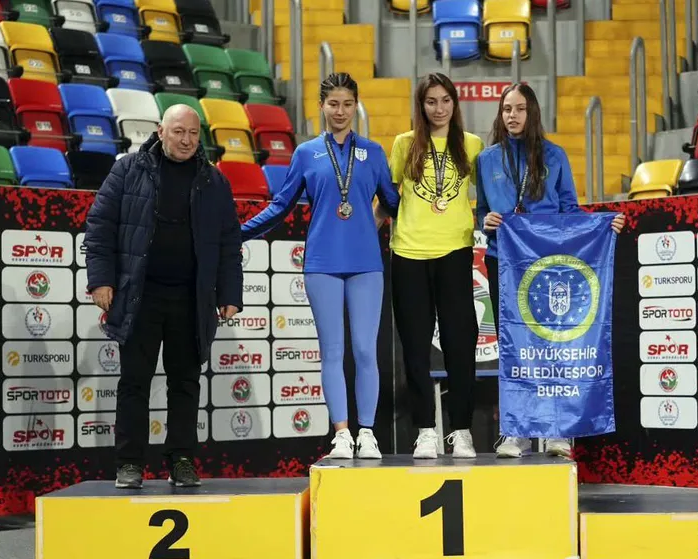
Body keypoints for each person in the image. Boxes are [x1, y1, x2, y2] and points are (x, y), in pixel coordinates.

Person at [241, 73, 399, 460]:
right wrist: (238, 233)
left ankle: (367, 432)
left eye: (347, 104)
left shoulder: (374, 152)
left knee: (364, 350)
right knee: (332, 350)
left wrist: (392, 211)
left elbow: (394, 202)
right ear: (321, 107)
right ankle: (342, 434)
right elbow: (281, 205)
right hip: (322, 263)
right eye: (333, 104)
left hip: (366, 263)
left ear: (356, 106)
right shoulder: (306, 153)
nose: (340, 111)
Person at [84, 104, 244, 489]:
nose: (187, 140)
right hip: (139, 295)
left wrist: (229, 292)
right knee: (134, 382)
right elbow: (99, 228)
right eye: (178, 132)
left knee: (186, 382)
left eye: (193, 133)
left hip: (191, 299)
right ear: (160, 131)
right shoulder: (128, 170)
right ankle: (129, 463)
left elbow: (229, 243)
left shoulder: (214, 181)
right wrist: (101, 280)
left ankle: (182, 459)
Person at [475, 83, 625, 458]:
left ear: (532, 113)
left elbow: (570, 210)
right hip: (504, 260)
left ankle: (558, 432)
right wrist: (486, 221)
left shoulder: (554, 156)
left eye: (519, 109)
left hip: (548, 264)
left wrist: (603, 225)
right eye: (506, 109)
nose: (512, 115)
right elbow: (480, 211)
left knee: (554, 343)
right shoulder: (487, 159)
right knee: (515, 346)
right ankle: (517, 431)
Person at [381, 73, 485, 459]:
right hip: (409, 253)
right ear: (420, 105)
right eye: (431, 101)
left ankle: (462, 431)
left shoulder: (472, 144)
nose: (439, 108)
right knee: (415, 347)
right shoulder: (404, 144)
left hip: (455, 251)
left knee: (461, 345)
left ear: (454, 103)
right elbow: (388, 200)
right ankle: (426, 430)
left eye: (445, 100)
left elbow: (490, 195)